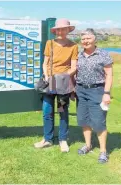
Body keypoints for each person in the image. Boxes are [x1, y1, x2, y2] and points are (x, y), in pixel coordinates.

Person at [34, 18, 78, 152]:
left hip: (64, 83)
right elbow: (45, 63)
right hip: (50, 82)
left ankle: (63, 140)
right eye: (58, 29)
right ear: (55, 31)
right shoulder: (50, 43)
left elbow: (74, 67)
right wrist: (47, 76)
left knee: (62, 111)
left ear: (68, 30)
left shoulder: (73, 46)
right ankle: (47, 139)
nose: (61, 31)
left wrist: (63, 77)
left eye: (63, 29)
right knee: (47, 112)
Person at [76, 28, 113, 163]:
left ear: (95, 39)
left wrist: (107, 93)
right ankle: (88, 145)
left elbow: (109, 74)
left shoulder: (103, 54)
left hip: (97, 91)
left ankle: (103, 151)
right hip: (81, 90)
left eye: (88, 38)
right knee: (84, 120)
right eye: (83, 39)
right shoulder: (78, 55)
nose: (85, 41)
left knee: (98, 122)